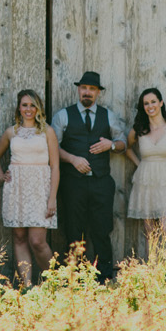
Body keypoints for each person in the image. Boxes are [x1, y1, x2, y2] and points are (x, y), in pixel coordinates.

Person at [52, 70, 128, 282]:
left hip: (101, 182)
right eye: (84, 88)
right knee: (74, 230)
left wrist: (111, 145)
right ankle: (77, 278)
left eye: (92, 89)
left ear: (98, 93)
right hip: (72, 183)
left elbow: (123, 143)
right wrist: (73, 159)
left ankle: (104, 278)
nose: (87, 92)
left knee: (102, 229)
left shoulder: (108, 115)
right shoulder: (63, 116)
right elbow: (52, 147)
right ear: (78, 89)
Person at [0, 89, 59, 287]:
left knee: (37, 240)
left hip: (39, 188)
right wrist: (2, 176)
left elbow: (55, 166)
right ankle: (27, 287)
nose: (28, 109)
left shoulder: (47, 131)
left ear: (38, 108)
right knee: (19, 237)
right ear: (19, 108)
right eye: (25, 105)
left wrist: (52, 197)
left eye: (32, 105)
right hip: (16, 188)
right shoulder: (12, 132)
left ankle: (54, 283)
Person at [125, 87, 166, 275]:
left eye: (153, 102)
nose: (150, 106)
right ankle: (154, 271)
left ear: (161, 103)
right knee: (150, 230)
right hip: (146, 180)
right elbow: (126, 148)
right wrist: (139, 164)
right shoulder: (139, 130)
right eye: (146, 103)